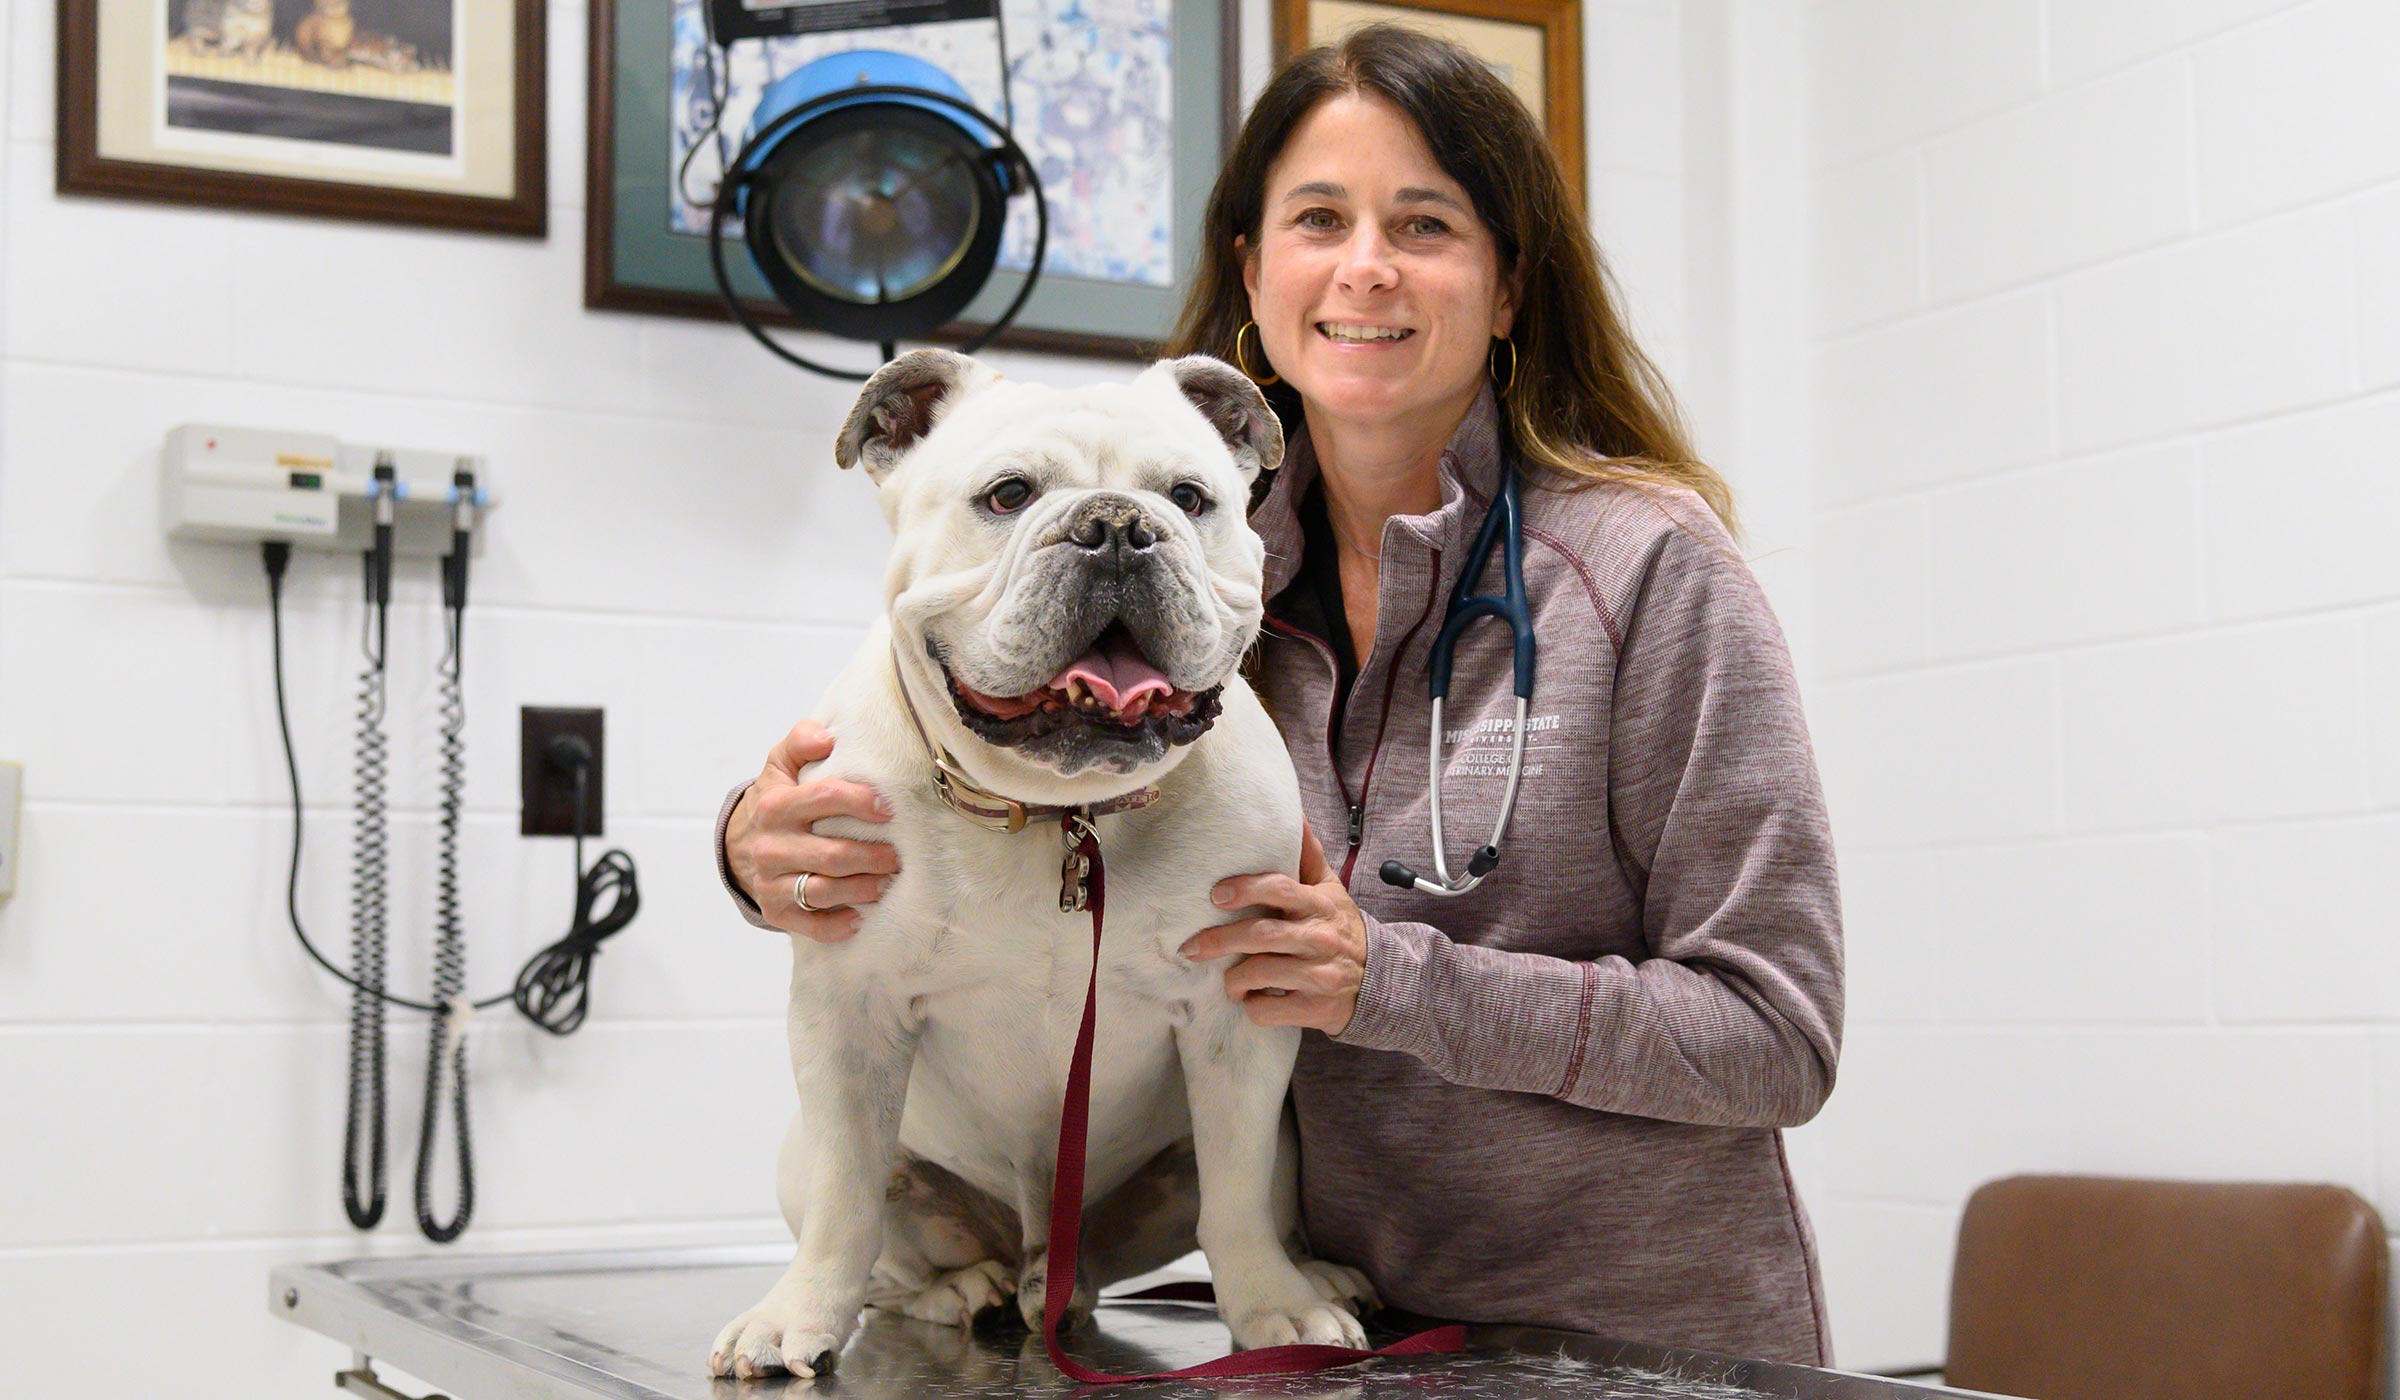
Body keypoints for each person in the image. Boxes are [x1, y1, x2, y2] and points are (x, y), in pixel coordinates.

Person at [716, 24, 1843, 1366]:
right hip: (1336, 1330)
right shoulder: (1222, 582)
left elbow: (1777, 1038)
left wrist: (1393, 984)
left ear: (1508, 284)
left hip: (1638, 1344)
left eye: (1425, 223)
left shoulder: (1649, 570)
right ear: (1254, 274)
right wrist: (757, 848)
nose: (1366, 264)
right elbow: (981, 802)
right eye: (1320, 217)